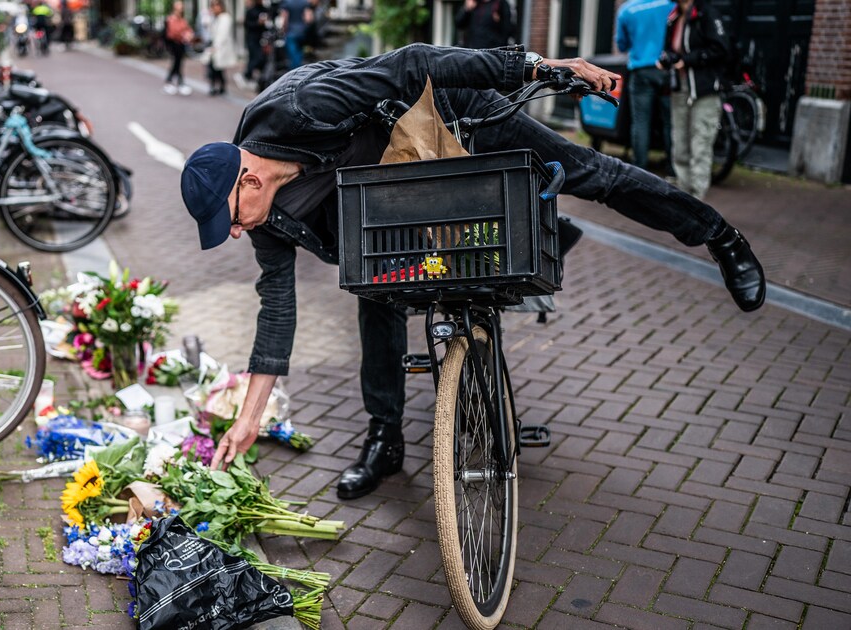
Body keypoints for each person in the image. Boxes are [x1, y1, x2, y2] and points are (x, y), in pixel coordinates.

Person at [179, 44, 765, 498]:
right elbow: (277, 306)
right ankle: (384, 440)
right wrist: (249, 419)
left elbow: (412, 65)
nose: (235, 232)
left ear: (248, 181)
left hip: (453, 118)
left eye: (230, 220)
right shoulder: (266, 217)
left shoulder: (300, 107)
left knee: (586, 173)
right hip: (393, 197)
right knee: (372, 285)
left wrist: (534, 66)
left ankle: (718, 235)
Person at [658, 0, 730, 199]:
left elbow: (721, 48)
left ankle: (697, 200)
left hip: (704, 90)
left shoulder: (707, 13)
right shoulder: (673, 17)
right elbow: (671, 49)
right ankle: (684, 199)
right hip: (679, 88)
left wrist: (687, 61)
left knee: (700, 146)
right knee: (679, 145)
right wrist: (667, 60)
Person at [616, 0, 675, 170]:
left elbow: (622, 45)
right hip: (666, 70)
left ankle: (639, 168)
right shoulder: (671, 4)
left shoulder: (626, 10)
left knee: (641, 121)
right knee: (670, 121)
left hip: (640, 71)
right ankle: (672, 167)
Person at [204, 0, 238, 96]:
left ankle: (218, 87)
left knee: (217, 68)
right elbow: (210, 31)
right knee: (215, 68)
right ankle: (217, 86)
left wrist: (215, 47)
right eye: (213, 6)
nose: (214, 8)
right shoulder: (215, 18)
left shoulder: (225, 18)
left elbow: (222, 35)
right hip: (215, 47)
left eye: (216, 6)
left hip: (220, 48)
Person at [163, 1, 194, 95]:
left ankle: (175, 81)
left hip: (181, 44)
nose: (181, 7)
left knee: (178, 62)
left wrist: (189, 34)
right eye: (179, 5)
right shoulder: (171, 19)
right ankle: (174, 80)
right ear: (174, 7)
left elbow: (188, 29)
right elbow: (171, 33)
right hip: (175, 44)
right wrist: (183, 34)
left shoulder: (182, 19)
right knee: (177, 62)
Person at [239, 0, 270, 89]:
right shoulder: (250, 11)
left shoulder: (265, 10)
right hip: (252, 38)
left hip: (263, 39)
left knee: (261, 58)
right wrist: (258, 23)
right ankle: (247, 75)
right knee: (255, 57)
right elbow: (247, 24)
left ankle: (257, 77)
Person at [280, 0, 309, 69]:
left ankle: (295, 71)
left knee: (292, 54)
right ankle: (300, 70)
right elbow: (308, 18)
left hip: (291, 31)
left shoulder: (286, 3)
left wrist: (284, 29)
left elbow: (285, 18)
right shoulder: (304, 2)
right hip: (301, 31)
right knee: (299, 52)